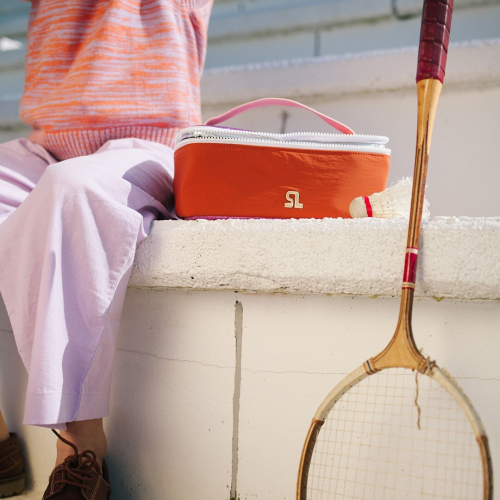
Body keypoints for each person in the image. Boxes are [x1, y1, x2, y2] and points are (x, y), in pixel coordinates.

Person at [0, 0, 213, 498]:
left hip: (148, 144)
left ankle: (80, 453)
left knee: (71, 191)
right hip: (45, 144)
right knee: (63, 181)